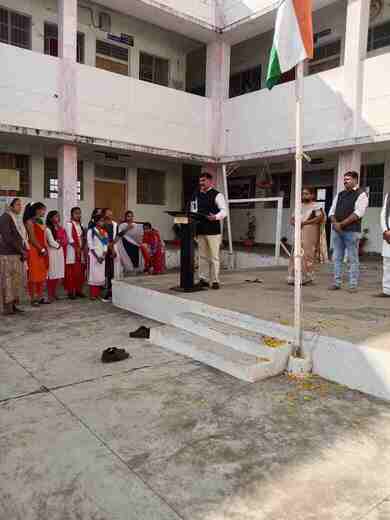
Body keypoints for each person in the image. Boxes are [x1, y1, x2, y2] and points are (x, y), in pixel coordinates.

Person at [328, 171, 368, 292]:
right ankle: (336, 283)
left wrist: (341, 224)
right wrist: (335, 223)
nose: (345, 181)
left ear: (356, 180)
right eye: (344, 179)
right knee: (336, 257)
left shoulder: (361, 194)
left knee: (352, 258)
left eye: (348, 179)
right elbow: (331, 212)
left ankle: (353, 285)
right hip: (337, 231)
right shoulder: (340, 194)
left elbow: (358, 214)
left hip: (351, 231)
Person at [190, 169, 227, 290]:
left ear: (210, 181)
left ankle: (215, 281)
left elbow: (224, 211)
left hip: (213, 231)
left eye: (204, 181)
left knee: (214, 257)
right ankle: (203, 279)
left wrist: (215, 217)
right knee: (202, 256)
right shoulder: (196, 194)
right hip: (200, 230)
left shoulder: (217, 194)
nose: (201, 183)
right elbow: (193, 209)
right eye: (200, 181)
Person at [288, 187, 326, 286]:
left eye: (307, 194)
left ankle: (307, 277)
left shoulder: (316, 206)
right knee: (296, 253)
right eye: (303, 194)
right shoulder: (298, 206)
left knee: (307, 254)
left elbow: (319, 218)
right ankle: (294, 277)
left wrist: (304, 222)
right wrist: (295, 223)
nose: (304, 196)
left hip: (310, 232)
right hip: (298, 232)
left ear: (312, 195)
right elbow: (292, 219)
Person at [0, 198, 27, 315]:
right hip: (7, 255)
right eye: (17, 204)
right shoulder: (5, 217)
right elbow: (8, 237)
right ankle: (7, 307)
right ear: (10, 206)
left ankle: (13, 305)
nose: (20, 207)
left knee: (15, 281)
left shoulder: (14, 218)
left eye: (20, 204)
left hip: (15, 254)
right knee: (7, 281)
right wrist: (21, 250)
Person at [23, 202, 49, 306]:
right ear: (37, 210)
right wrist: (41, 249)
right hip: (33, 250)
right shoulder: (29, 222)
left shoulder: (40, 221)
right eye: (43, 210)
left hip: (41, 248)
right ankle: (33, 298)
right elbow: (32, 238)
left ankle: (40, 296)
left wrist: (44, 248)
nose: (44, 212)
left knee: (42, 274)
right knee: (33, 275)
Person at [46, 210, 67, 302]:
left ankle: (54, 293)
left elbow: (64, 239)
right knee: (52, 274)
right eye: (55, 216)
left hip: (59, 252)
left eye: (58, 216)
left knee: (57, 274)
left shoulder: (60, 228)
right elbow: (51, 242)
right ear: (50, 218)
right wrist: (58, 244)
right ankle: (50, 294)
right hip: (52, 252)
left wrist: (60, 243)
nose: (57, 218)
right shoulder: (47, 228)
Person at [65, 206, 85, 299]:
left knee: (79, 272)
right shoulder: (69, 224)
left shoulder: (80, 225)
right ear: (72, 214)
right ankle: (71, 291)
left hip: (79, 250)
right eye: (76, 213)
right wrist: (76, 248)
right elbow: (69, 238)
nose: (78, 215)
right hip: (72, 251)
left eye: (79, 213)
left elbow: (81, 237)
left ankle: (78, 290)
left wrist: (81, 247)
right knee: (71, 273)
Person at [87, 214, 108, 300]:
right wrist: (97, 257)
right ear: (96, 221)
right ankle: (93, 294)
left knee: (100, 275)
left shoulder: (104, 232)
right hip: (93, 256)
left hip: (102, 256)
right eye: (100, 221)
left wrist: (103, 256)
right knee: (93, 274)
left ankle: (98, 293)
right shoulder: (91, 231)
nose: (102, 222)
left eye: (103, 221)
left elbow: (105, 245)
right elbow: (90, 245)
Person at [102, 208, 118, 300]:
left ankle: (112, 291)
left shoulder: (115, 224)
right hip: (106, 250)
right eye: (108, 213)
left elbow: (117, 236)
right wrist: (111, 249)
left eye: (111, 212)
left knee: (113, 271)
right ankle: (108, 291)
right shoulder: (103, 225)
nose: (110, 214)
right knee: (108, 272)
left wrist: (114, 248)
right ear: (104, 214)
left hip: (114, 249)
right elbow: (105, 239)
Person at [377, 192, 390, 297]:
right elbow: (383, 213)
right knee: (387, 262)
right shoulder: (388, 195)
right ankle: (386, 290)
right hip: (388, 234)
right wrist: (385, 230)